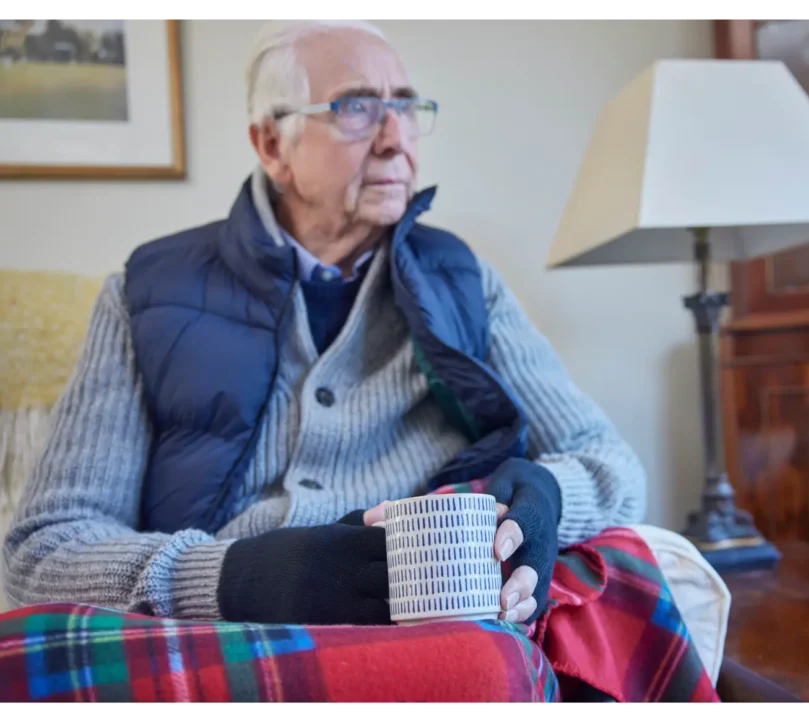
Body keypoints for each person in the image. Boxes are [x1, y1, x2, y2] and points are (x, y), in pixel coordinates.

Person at [1, 17, 646, 629]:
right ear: (271, 143)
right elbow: (44, 550)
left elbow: (611, 465)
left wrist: (545, 493)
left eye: (407, 107)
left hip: (430, 625)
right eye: (356, 107)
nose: (396, 138)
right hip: (224, 635)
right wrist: (233, 577)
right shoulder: (145, 293)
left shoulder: (466, 281)